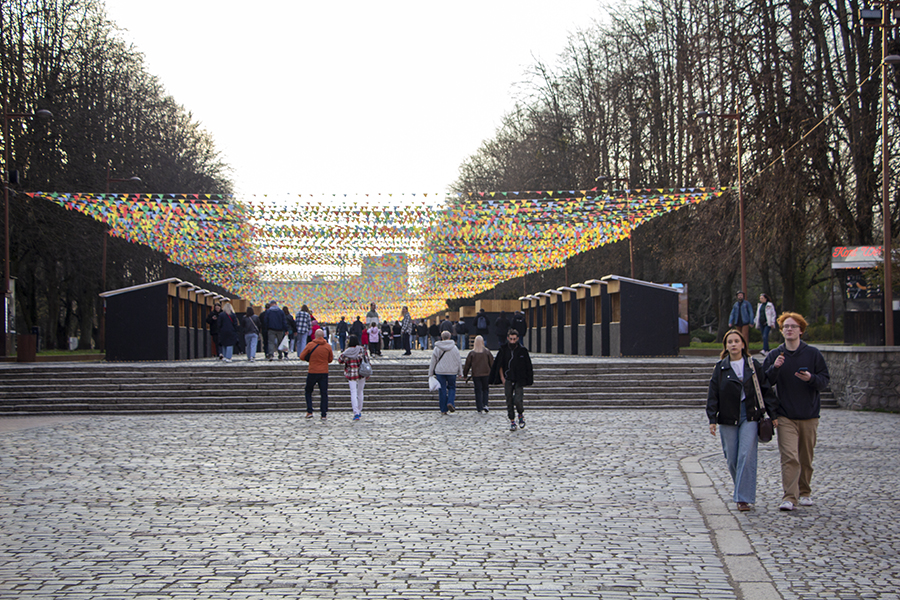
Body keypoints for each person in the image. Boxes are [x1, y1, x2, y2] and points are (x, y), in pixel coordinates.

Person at [762, 312, 830, 512]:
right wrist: (774, 368)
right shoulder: (775, 355)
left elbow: (824, 380)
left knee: (805, 457)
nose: (789, 329)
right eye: (785, 327)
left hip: (809, 414)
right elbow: (765, 383)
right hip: (785, 415)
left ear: (801, 330)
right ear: (782, 331)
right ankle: (790, 497)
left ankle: (805, 491)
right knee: (789, 457)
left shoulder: (813, 354)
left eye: (793, 326)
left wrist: (810, 378)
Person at [707, 328, 778, 512]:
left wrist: (773, 414)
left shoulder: (753, 365)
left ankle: (743, 498)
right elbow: (713, 394)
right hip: (728, 416)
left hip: (750, 414)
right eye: (730, 342)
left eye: (736, 341)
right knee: (732, 458)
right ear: (726, 346)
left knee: (746, 454)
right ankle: (741, 488)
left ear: (743, 344)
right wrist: (712, 418)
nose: (733, 345)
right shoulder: (721, 367)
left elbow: (765, 389)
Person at [490, 329, 533, 431]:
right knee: (509, 400)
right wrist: (502, 378)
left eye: (514, 339)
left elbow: (528, 365)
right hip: (508, 378)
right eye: (511, 339)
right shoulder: (503, 349)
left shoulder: (522, 350)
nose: (513, 341)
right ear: (508, 338)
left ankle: (520, 414)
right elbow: (499, 364)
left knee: (518, 400)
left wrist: (528, 379)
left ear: (517, 339)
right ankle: (512, 421)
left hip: (519, 379)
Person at [299, 329, 334, 420]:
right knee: (324, 393)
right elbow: (330, 359)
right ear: (323, 336)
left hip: (312, 371)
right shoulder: (327, 346)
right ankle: (323, 414)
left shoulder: (310, 345)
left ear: (315, 335)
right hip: (324, 372)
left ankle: (309, 411)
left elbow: (302, 356)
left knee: (308, 391)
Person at [428, 330, 463, 415]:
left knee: (442, 389)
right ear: (450, 337)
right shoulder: (454, 348)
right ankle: (450, 402)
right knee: (452, 387)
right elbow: (458, 360)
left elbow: (433, 361)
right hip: (452, 371)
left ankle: (443, 409)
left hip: (440, 371)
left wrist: (430, 373)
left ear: (442, 337)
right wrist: (460, 372)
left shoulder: (437, 348)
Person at [338, 335, 369, 420]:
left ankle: (356, 412)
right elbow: (367, 360)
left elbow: (340, 360)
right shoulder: (362, 349)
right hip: (361, 373)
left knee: (353, 392)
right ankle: (359, 410)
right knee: (360, 392)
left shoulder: (347, 351)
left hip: (351, 374)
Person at [463, 335, 494, 413]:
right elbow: (492, 363)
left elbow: (467, 365)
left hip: (476, 374)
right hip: (486, 374)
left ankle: (479, 407)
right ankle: (485, 404)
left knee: (478, 390)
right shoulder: (487, 352)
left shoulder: (472, 353)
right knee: (485, 389)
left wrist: (465, 374)